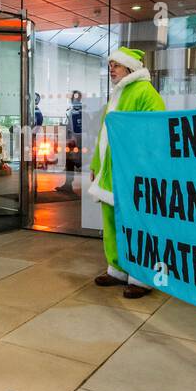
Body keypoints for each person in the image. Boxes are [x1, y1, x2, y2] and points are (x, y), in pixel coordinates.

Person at [88, 47, 165, 299]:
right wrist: (95, 167)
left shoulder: (145, 93)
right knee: (111, 221)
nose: (111, 69)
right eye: (110, 65)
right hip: (111, 172)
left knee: (138, 224)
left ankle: (142, 277)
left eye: (116, 65)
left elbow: (157, 131)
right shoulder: (117, 94)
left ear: (130, 68)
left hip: (133, 173)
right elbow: (104, 136)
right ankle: (117, 269)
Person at [57, 89, 83, 195]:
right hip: (76, 141)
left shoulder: (74, 111)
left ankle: (68, 185)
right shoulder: (76, 110)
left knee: (73, 162)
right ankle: (68, 185)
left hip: (76, 141)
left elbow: (72, 127)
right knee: (71, 162)